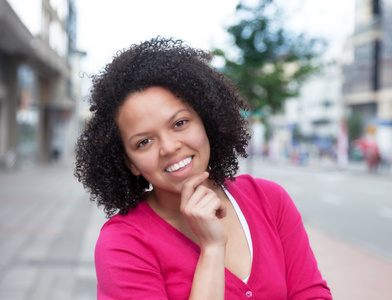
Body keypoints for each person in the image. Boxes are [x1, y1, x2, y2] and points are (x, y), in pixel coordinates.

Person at [75, 37, 332, 300]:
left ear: (205, 120)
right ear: (130, 163)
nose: (169, 147)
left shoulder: (269, 200)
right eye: (144, 142)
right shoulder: (124, 244)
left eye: (180, 123)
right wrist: (211, 248)